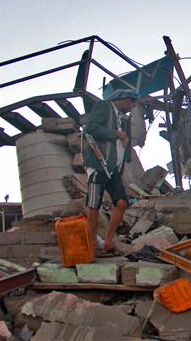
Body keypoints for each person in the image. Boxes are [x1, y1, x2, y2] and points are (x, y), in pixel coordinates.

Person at [83, 89, 138, 256]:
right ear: (126, 99)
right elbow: (91, 128)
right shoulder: (103, 106)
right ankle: (93, 243)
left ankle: (107, 242)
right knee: (94, 205)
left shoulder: (119, 118)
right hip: (98, 165)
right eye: (132, 103)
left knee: (122, 202)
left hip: (111, 168)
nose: (132, 107)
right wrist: (116, 134)